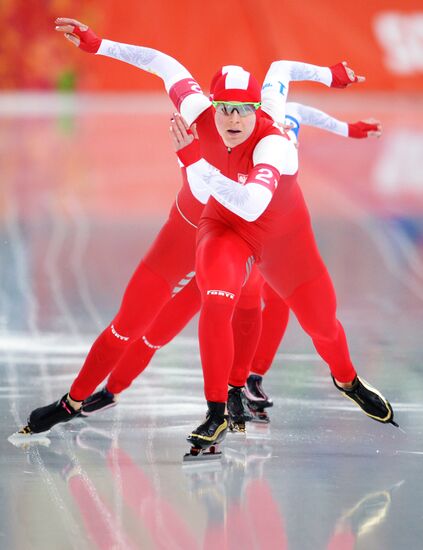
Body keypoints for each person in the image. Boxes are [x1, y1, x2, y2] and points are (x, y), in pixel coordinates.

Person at [18, 19, 396, 457]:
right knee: (135, 324)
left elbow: (252, 206)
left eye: (243, 109)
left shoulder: (273, 142)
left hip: (275, 237)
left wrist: (195, 162)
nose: (233, 119)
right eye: (224, 108)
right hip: (201, 229)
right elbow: (162, 62)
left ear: (258, 109)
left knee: (320, 325)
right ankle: (82, 401)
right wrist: (98, 44)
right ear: (210, 105)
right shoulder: (197, 112)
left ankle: (343, 379)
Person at [80, 102, 383, 429]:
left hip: (266, 239)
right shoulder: (227, 129)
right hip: (225, 236)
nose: (237, 119)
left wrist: (350, 129)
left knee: (271, 304)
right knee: (164, 326)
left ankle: (248, 382)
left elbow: (303, 106)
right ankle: (116, 389)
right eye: (230, 111)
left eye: (245, 112)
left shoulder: (279, 122)